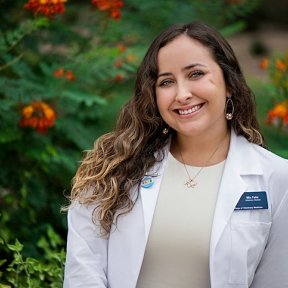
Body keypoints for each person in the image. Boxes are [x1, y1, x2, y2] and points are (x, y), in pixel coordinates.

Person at [63, 21, 288, 288]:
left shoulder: (277, 178)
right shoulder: (112, 170)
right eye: (166, 81)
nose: (182, 94)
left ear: (229, 83)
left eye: (195, 74)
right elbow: (83, 274)